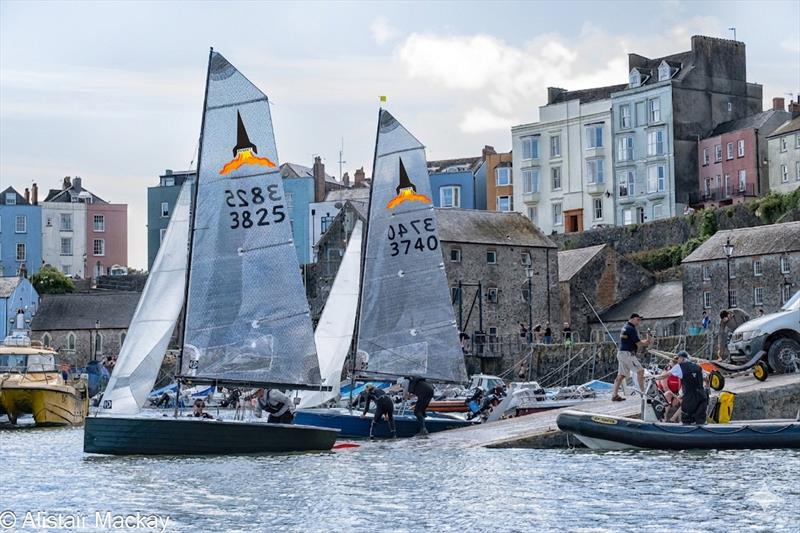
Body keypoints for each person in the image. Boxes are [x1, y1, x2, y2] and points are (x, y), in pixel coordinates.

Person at [655, 351, 708, 425]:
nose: (677, 360)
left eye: (678, 358)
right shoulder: (698, 366)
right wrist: (707, 388)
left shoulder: (679, 366)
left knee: (687, 420)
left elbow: (665, 376)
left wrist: (653, 377)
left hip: (689, 398)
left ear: (682, 358)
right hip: (701, 396)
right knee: (700, 421)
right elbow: (706, 378)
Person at [611, 313, 650, 402]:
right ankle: (643, 394)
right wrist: (647, 342)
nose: (639, 321)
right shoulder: (631, 329)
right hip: (627, 354)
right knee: (640, 371)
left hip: (621, 353)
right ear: (632, 319)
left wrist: (645, 342)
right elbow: (639, 343)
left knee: (621, 375)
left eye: (640, 320)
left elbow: (635, 341)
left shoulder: (625, 327)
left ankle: (614, 395)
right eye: (638, 319)